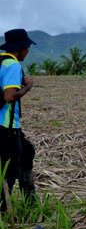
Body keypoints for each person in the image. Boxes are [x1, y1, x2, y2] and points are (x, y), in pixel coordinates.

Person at [0, 28, 37, 212]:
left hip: (4, 125)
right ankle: (3, 211)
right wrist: (28, 86)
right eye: (27, 47)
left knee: (27, 151)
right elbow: (10, 96)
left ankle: (30, 202)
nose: (28, 51)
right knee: (9, 172)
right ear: (21, 47)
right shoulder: (13, 65)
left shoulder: (1, 62)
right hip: (6, 127)